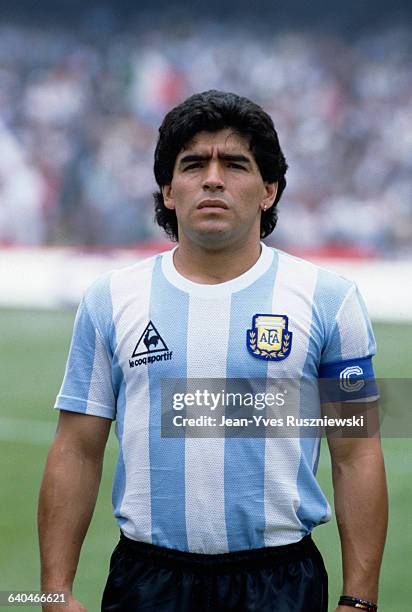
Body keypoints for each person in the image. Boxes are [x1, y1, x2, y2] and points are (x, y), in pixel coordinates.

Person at [38, 90, 387, 612]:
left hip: (279, 582)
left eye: (236, 164)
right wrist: (53, 591)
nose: (214, 178)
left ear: (269, 190)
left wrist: (359, 601)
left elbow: (357, 453)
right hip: (148, 580)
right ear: (169, 190)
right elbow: (76, 449)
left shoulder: (329, 300)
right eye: (194, 164)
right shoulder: (110, 299)